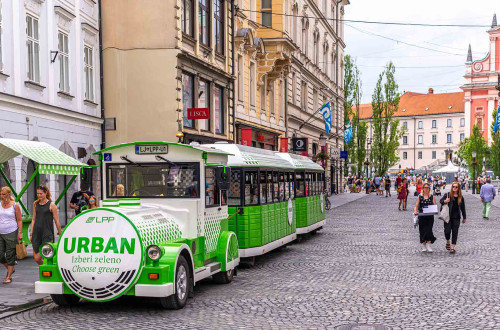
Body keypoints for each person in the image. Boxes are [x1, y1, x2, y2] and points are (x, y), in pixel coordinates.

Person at [30, 185, 62, 265]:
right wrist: (31, 233)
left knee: (46, 256)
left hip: (47, 233)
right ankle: (44, 268)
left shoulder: (52, 205)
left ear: (45, 193)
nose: (39, 195)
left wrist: (60, 233)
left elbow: (56, 220)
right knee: (37, 258)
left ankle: (46, 272)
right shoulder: (35, 204)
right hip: (36, 233)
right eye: (38, 193)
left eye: (41, 193)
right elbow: (33, 219)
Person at [0, 187, 22, 284]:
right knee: (0, 255)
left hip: (11, 232)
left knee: (10, 255)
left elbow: (19, 220)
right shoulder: (0, 204)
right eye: (0, 194)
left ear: (9, 194)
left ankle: (9, 276)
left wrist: (20, 232)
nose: (1, 196)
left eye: (3, 194)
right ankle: (10, 269)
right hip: (1, 232)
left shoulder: (15, 205)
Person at [440, 183, 466, 254]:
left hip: (456, 217)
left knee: (455, 232)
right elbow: (441, 201)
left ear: (458, 188)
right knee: (447, 231)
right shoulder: (448, 195)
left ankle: (452, 247)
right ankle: (448, 240)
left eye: (456, 187)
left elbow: (463, 208)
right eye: (453, 187)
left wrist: (464, 217)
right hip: (448, 216)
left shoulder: (461, 197)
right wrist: (445, 201)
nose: (454, 188)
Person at [414, 183, 437, 252]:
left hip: (430, 217)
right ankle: (424, 246)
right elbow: (416, 205)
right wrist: (415, 211)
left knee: (429, 230)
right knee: (422, 231)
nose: (426, 189)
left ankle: (429, 246)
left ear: (429, 189)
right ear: (423, 188)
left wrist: (436, 211)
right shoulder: (419, 197)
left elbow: (435, 205)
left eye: (427, 188)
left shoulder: (432, 197)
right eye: (425, 187)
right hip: (422, 216)